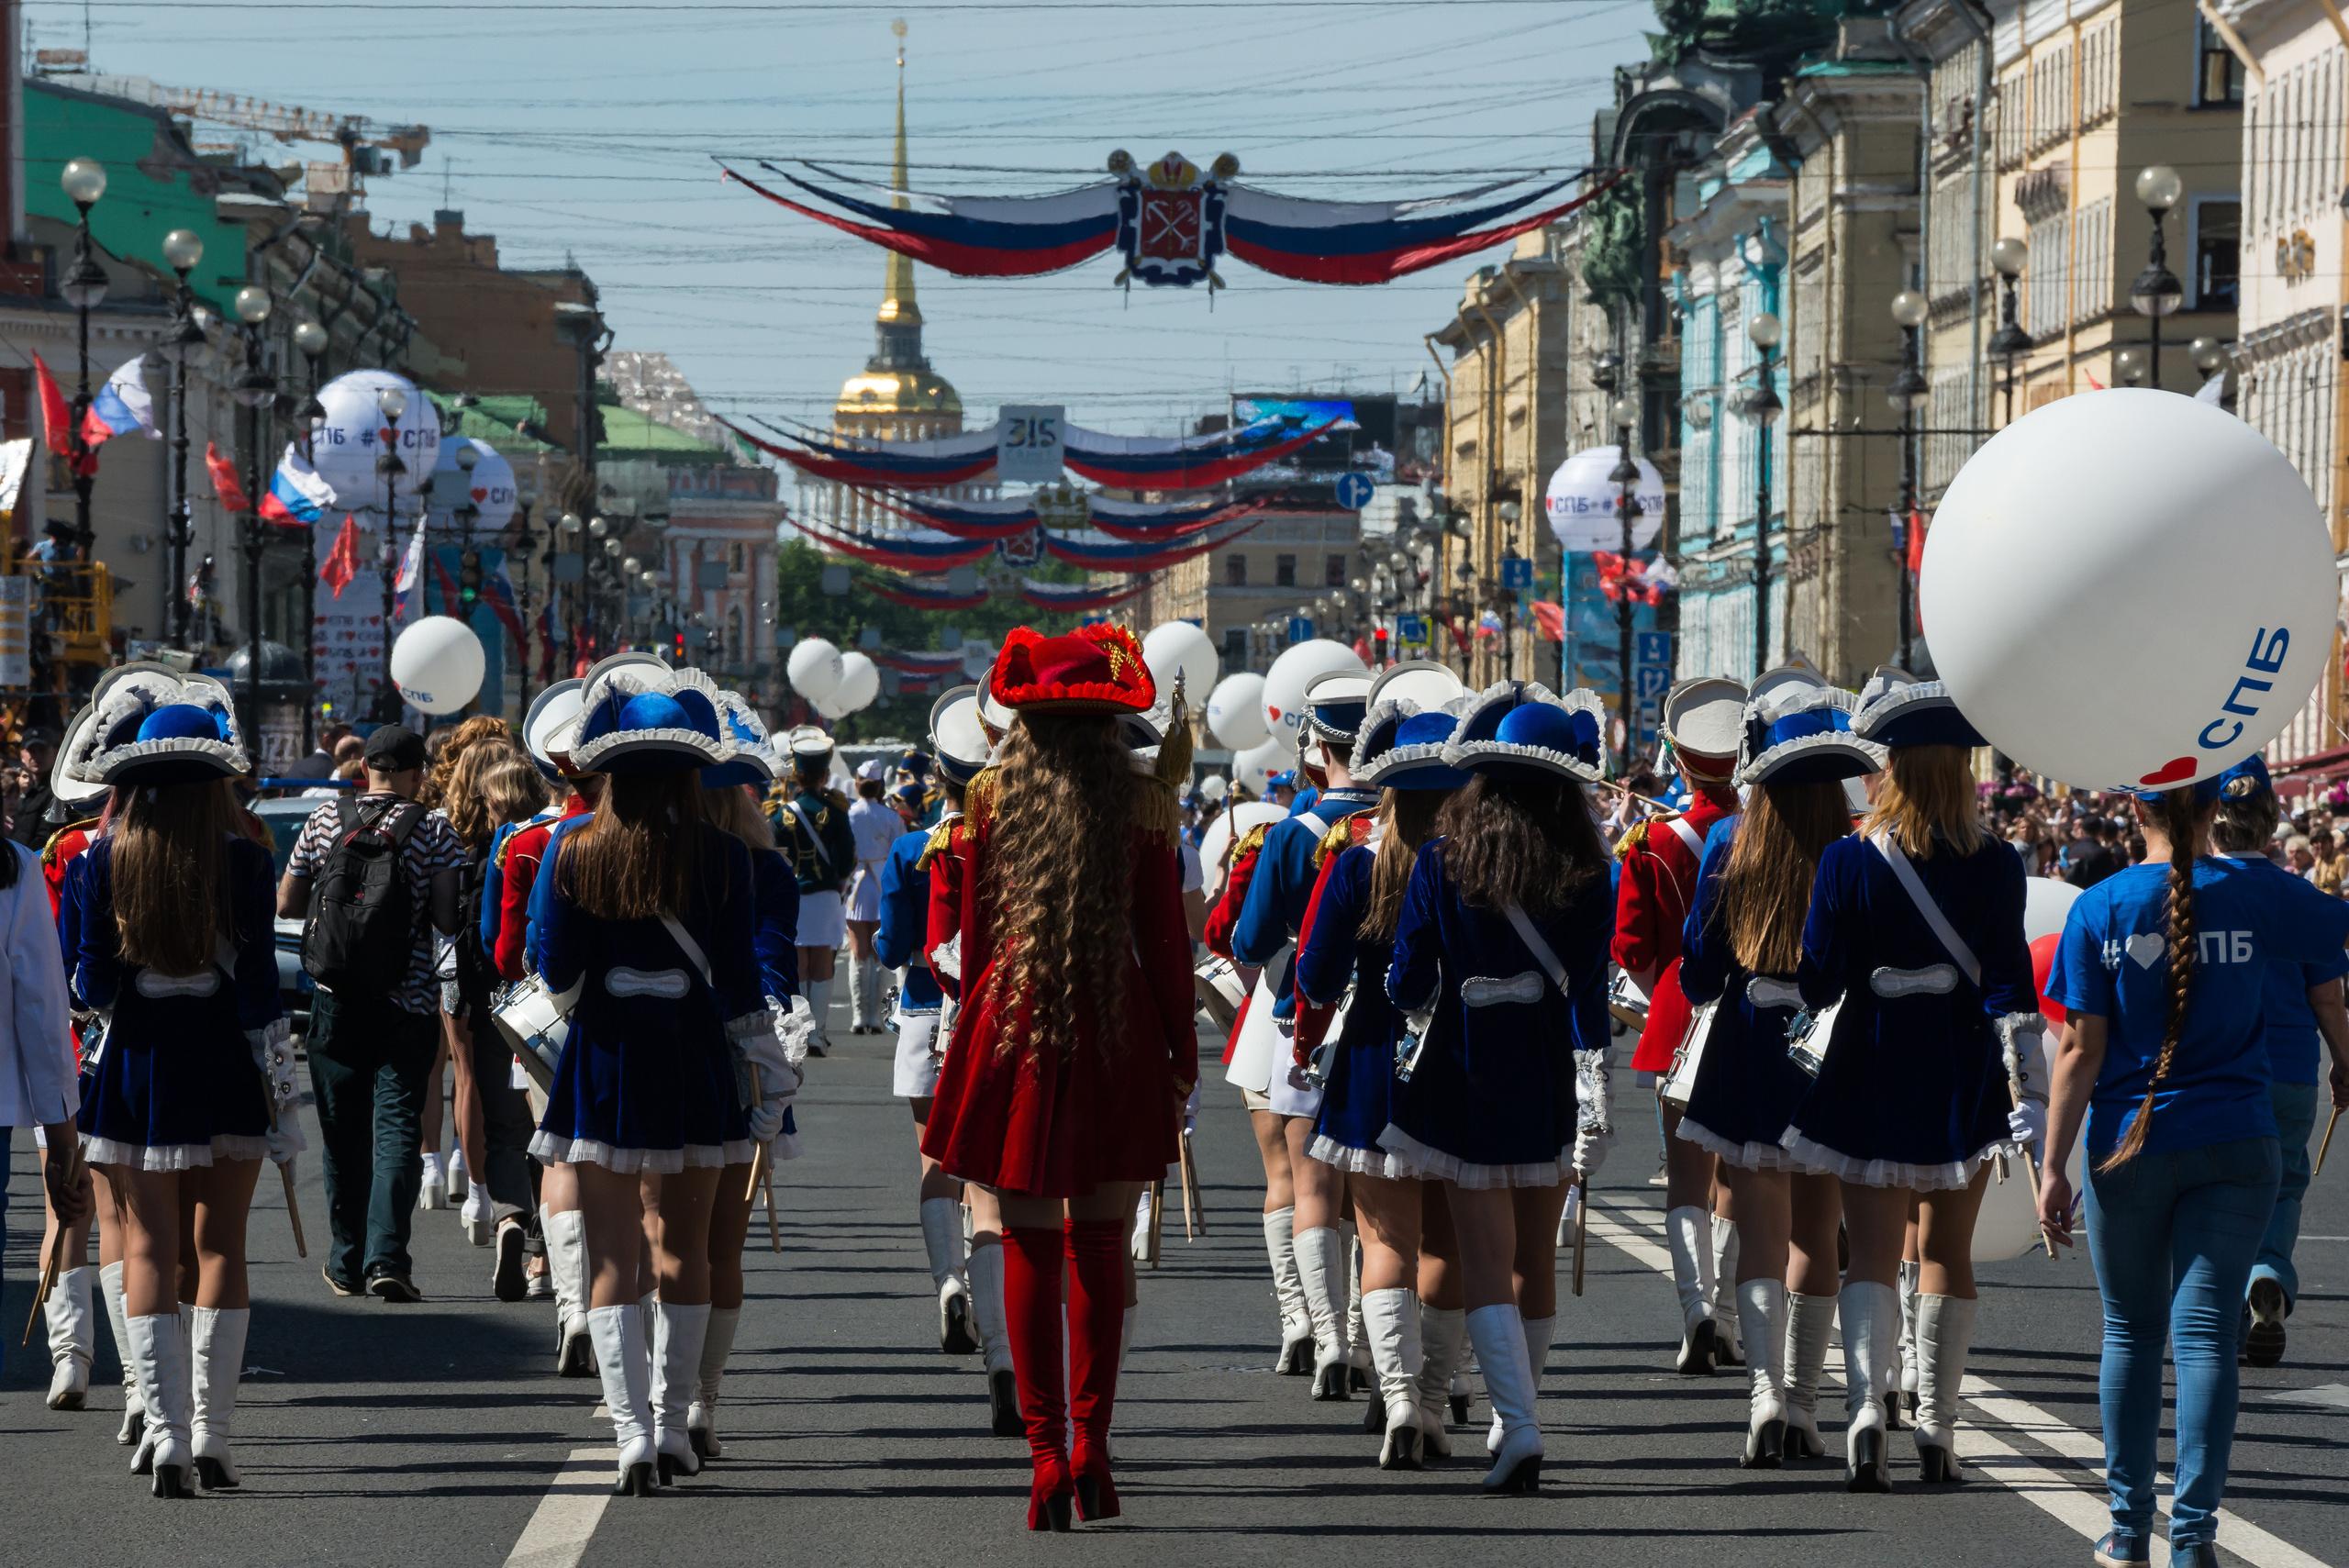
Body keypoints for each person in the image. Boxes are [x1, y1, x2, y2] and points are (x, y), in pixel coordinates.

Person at [918, 624, 1193, 1530]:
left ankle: (1043, 1459)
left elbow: (982, 940)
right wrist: (1180, 1059)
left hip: (1015, 1019)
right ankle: (1092, 1449)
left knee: (1030, 1242)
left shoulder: (989, 796)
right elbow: (1164, 944)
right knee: (1101, 1245)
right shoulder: (1147, 801)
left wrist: (973, 1044)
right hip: (1116, 1021)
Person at [2043, 756, 2349, 1568]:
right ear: (2218, 803)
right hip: (2238, 1137)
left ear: (2132, 808)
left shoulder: (2102, 904)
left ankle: (2125, 1526)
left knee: (2131, 1332)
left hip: (2128, 1143)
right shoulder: (2259, 892)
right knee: (2207, 1338)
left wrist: (2051, 1166)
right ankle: (2194, 1540)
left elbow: (2079, 1049)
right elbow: (2333, 945)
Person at [529, 658, 789, 1496]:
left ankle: (632, 1434)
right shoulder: (725, 856)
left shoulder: (571, 850)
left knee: (611, 1255)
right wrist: (770, 1076)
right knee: (686, 1254)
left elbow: (556, 973)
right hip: (695, 1067)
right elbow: (744, 989)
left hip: (602, 1065)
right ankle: (676, 1423)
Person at [1790, 673, 2037, 1491]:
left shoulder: (1845, 860)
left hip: (1868, 1066)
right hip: (1959, 1070)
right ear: (1960, 770)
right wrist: (2025, 1083)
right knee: (1945, 1253)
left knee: (1868, 1255)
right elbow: (2009, 979)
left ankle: (1866, 1408)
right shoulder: (1998, 861)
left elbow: (1819, 979)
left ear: (1893, 766)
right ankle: (1936, 1425)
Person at [62, 669, 295, 1496]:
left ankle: (161, 1433)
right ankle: (213, 1437)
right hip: (225, 1064)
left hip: (136, 1067)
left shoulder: (103, 858)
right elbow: (263, 987)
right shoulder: (247, 859)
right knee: (222, 1244)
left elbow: (89, 988)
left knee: (152, 1246)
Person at [1386, 680, 1617, 1496]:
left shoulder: (1443, 860)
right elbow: (1590, 992)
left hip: (1464, 1071)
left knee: (1482, 1256)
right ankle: (1509, 1415)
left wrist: (1416, 990)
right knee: (1532, 1260)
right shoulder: (1595, 871)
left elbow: (1408, 984)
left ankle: (1518, 1426)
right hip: (1547, 1072)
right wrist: (1595, 1084)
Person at [1676, 668, 1878, 1469]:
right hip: (1831, 1044)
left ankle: (1763, 1397)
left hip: (1751, 1043)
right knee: (1817, 1237)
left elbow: (1696, 970)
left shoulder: (1732, 840)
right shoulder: (1858, 848)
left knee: (1758, 1230)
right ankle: (1801, 1401)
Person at [1292, 670, 1471, 1469]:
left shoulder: (1355, 865)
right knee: (1448, 1242)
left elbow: (1316, 978)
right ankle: (1432, 1398)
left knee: (1385, 1238)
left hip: (1372, 1057)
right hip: (1459, 1061)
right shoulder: (1475, 864)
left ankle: (1399, 1400)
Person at [1230, 668, 1379, 1400]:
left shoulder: (1293, 832)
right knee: (1382, 1192)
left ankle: (1320, 1332)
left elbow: (1250, 941)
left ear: (1316, 747)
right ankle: (1380, 1343)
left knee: (1296, 1178)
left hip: (1300, 1010)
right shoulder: (1410, 825)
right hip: (1388, 1015)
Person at [278, 724, 464, 1303]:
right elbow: (446, 920)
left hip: (335, 1002)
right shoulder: (433, 829)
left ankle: (345, 1259)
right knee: (398, 1130)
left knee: (342, 1134)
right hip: (406, 1004)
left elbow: (287, 901)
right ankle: (389, 1259)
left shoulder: (324, 819)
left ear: (368, 770)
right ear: (416, 774)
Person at [685, 688, 807, 1462]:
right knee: (721, 1243)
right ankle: (702, 1398)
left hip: (655, 1052)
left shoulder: (655, 852)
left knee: (652, 1238)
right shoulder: (768, 869)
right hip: (741, 1056)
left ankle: (652, 1401)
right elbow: (772, 970)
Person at [1616, 675, 1746, 1378]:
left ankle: (1695, 1308)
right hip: (1751, 1012)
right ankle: (1726, 1317)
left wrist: (1663, 995)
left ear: (1678, 755)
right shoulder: (1764, 827)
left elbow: (1631, 946)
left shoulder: (1653, 838)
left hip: (1677, 1012)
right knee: (1738, 1172)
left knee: (1686, 1175)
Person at [2199, 757, 2349, 1368]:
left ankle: (2227, 1305)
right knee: (2282, 1184)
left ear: (2214, 821)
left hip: (2211, 1068)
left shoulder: (2192, 892)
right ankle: (2267, 1272)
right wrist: (2344, 1061)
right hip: (2288, 1067)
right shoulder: (2307, 900)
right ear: (2271, 823)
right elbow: (2328, 997)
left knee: (2213, 1190)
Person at [879, 690, 995, 1373]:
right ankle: (996, 1326)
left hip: (924, 1018)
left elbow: (894, 946)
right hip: (985, 1021)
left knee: (936, 1163)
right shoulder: (1009, 842)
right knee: (986, 1175)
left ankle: (948, 1279)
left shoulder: (909, 849)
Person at [492, 678, 602, 1373]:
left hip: (554, 1020)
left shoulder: (532, 839)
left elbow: (507, 950)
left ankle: (572, 1306)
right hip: (643, 1022)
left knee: (559, 1155)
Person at [445, 743, 551, 1295]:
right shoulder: (563, 837)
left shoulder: (502, 848)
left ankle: (510, 1216)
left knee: (508, 1126)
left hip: (503, 1002)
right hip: (562, 1004)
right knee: (554, 1128)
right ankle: (544, 1256)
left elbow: (495, 942)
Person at [771, 728, 855, 1056]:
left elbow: (772, 853)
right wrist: (842, 879)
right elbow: (847, 855)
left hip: (791, 895)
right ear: (824, 774)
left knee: (797, 962)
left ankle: (799, 1034)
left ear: (796, 773)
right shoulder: (835, 810)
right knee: (823, 961)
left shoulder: (780, 813)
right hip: (824, 895)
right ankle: (818, 1033)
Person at [843, 759, 901, 1033]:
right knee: (879, 952)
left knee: (858, 951)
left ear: (857, 784)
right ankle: (876, 1017)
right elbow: (898, 852)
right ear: (880, 786)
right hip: (881, 882)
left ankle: (859, 1016)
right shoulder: (892, 816)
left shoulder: (849, 813)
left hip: (856, 882)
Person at [11, 731, 59, 850]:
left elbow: (45, 837)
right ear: (22, 755)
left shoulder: (57, 791)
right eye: (32, 751)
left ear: (55, 753)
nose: (37, 756)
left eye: (42, 750)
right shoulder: (29, 792)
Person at [283, 722, 355, 782]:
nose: (350, 746)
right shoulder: (337, 773)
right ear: (327, 740)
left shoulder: (295, 768)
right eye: (345, 741)